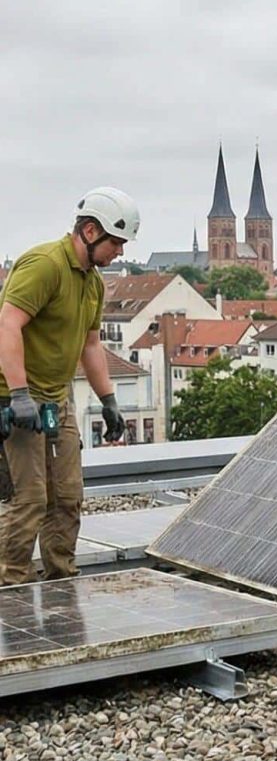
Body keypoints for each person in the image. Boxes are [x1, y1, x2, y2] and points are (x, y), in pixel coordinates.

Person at [0, 188, 140, 586]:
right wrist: (18, 394)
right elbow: (7, 325)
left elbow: (91, 345)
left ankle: (60, 581)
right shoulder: (44, 265)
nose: (120, 253)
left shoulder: (93, 284)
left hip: (56, 399)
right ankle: (11, 590)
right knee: (28, 500)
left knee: (66, 497)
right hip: (15, 398)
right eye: (116, 242)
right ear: (91, 231)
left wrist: (109, 400)